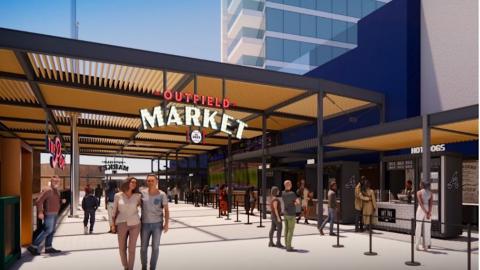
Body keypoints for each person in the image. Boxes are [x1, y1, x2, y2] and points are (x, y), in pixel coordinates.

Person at [27, 175, 65, 256]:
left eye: (58, 181)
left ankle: (48, 247)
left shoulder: (56, 191)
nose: (57, 183)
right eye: (55, 181)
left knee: (51, 231)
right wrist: (40, 212)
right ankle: (33, 246)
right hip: (49, 214)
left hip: (55, 213)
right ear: (51, 182)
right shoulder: (47, 190)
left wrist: (62, 201)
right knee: (48, 230)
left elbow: (56, 202)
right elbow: (39, 201)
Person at [140, 175, 169, 270]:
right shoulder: (142, 193)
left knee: (155, 247)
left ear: (156, 181)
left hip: (157, 224)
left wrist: (166, 224)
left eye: (152, 180)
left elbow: (166, 210)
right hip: (144, 224)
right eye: (148, 181)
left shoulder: (162, 194)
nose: (150, 182)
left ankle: (153, 268)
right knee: (143, 248)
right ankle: (144, 267)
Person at [112, 177, 142, 270]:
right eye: (132, 182)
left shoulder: (138, 196)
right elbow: (114, 212)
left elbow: (144, 206)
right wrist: (112, 225)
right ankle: (125, 266)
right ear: (127, 182)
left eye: (135, 183)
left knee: (132, 249)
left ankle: (130, 268)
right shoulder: (118, 196)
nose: (134, 184)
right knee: (122, 248)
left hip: (135, 224)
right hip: (121, 223)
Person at [282, 180, 300, 252]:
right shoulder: (292, 194)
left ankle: (286, 245)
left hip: (285, 213)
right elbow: (298, 202)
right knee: (290, 230)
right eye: (291, 184)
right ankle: (288, 247)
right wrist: (295, 201)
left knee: (286, 230)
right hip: (291, 214)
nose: (291, 185)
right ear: (288, 185)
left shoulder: (282, 193)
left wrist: (293, 201)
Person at [415, 181, 433, 251]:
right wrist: (428, 212)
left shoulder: (418, 192)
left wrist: (425, 211)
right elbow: (431, 203)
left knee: (418, 226)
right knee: (427, 227)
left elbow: (420, 203)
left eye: (420, 184)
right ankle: (426, 246)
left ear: (422, 185)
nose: (419, 185)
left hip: (421, 209)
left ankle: (417, 245)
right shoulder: (430, 193)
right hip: (428, 209)